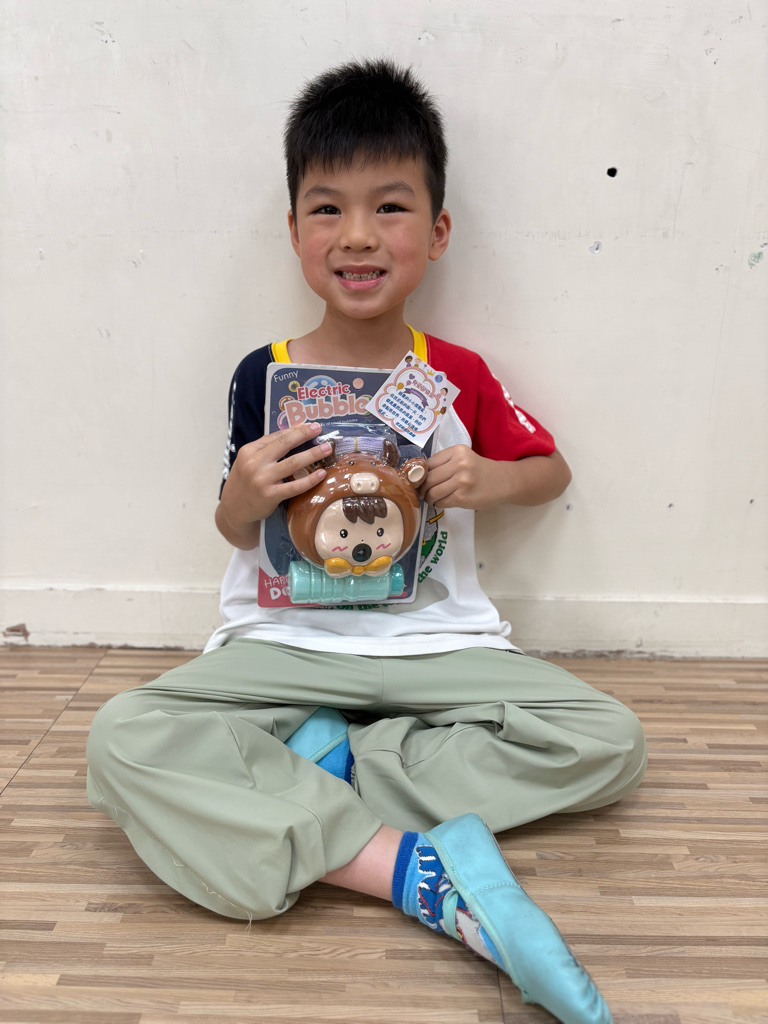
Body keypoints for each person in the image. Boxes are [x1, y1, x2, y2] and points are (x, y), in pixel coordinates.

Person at [86, 59, 646, 1024]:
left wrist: (492, 478)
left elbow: (551, 471)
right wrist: (242, 494)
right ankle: (407, 869)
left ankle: (334, 769)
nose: (357, 235)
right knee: (119, 738)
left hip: (437, 646)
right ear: (293, 230)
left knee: (611, 742)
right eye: (327, 209)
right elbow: (234, 527)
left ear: (437, 231)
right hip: (285, 646)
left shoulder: (456, 373)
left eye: (390, 207)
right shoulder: (262, 374)